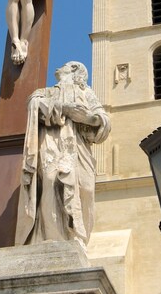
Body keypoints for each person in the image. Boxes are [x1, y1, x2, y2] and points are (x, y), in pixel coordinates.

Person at [15, 62, 110, 245]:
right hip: (52, 143)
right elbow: (33, 103)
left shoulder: (87, 93)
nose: (60, 68)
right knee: (52, 181)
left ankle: (79, 236)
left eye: (66, 66)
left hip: (79, 147)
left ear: (74, 71)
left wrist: (88, 118)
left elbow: (104, 120)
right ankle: (53, 238)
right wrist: (64, 108)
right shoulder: (47, 92)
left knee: (86, 189)